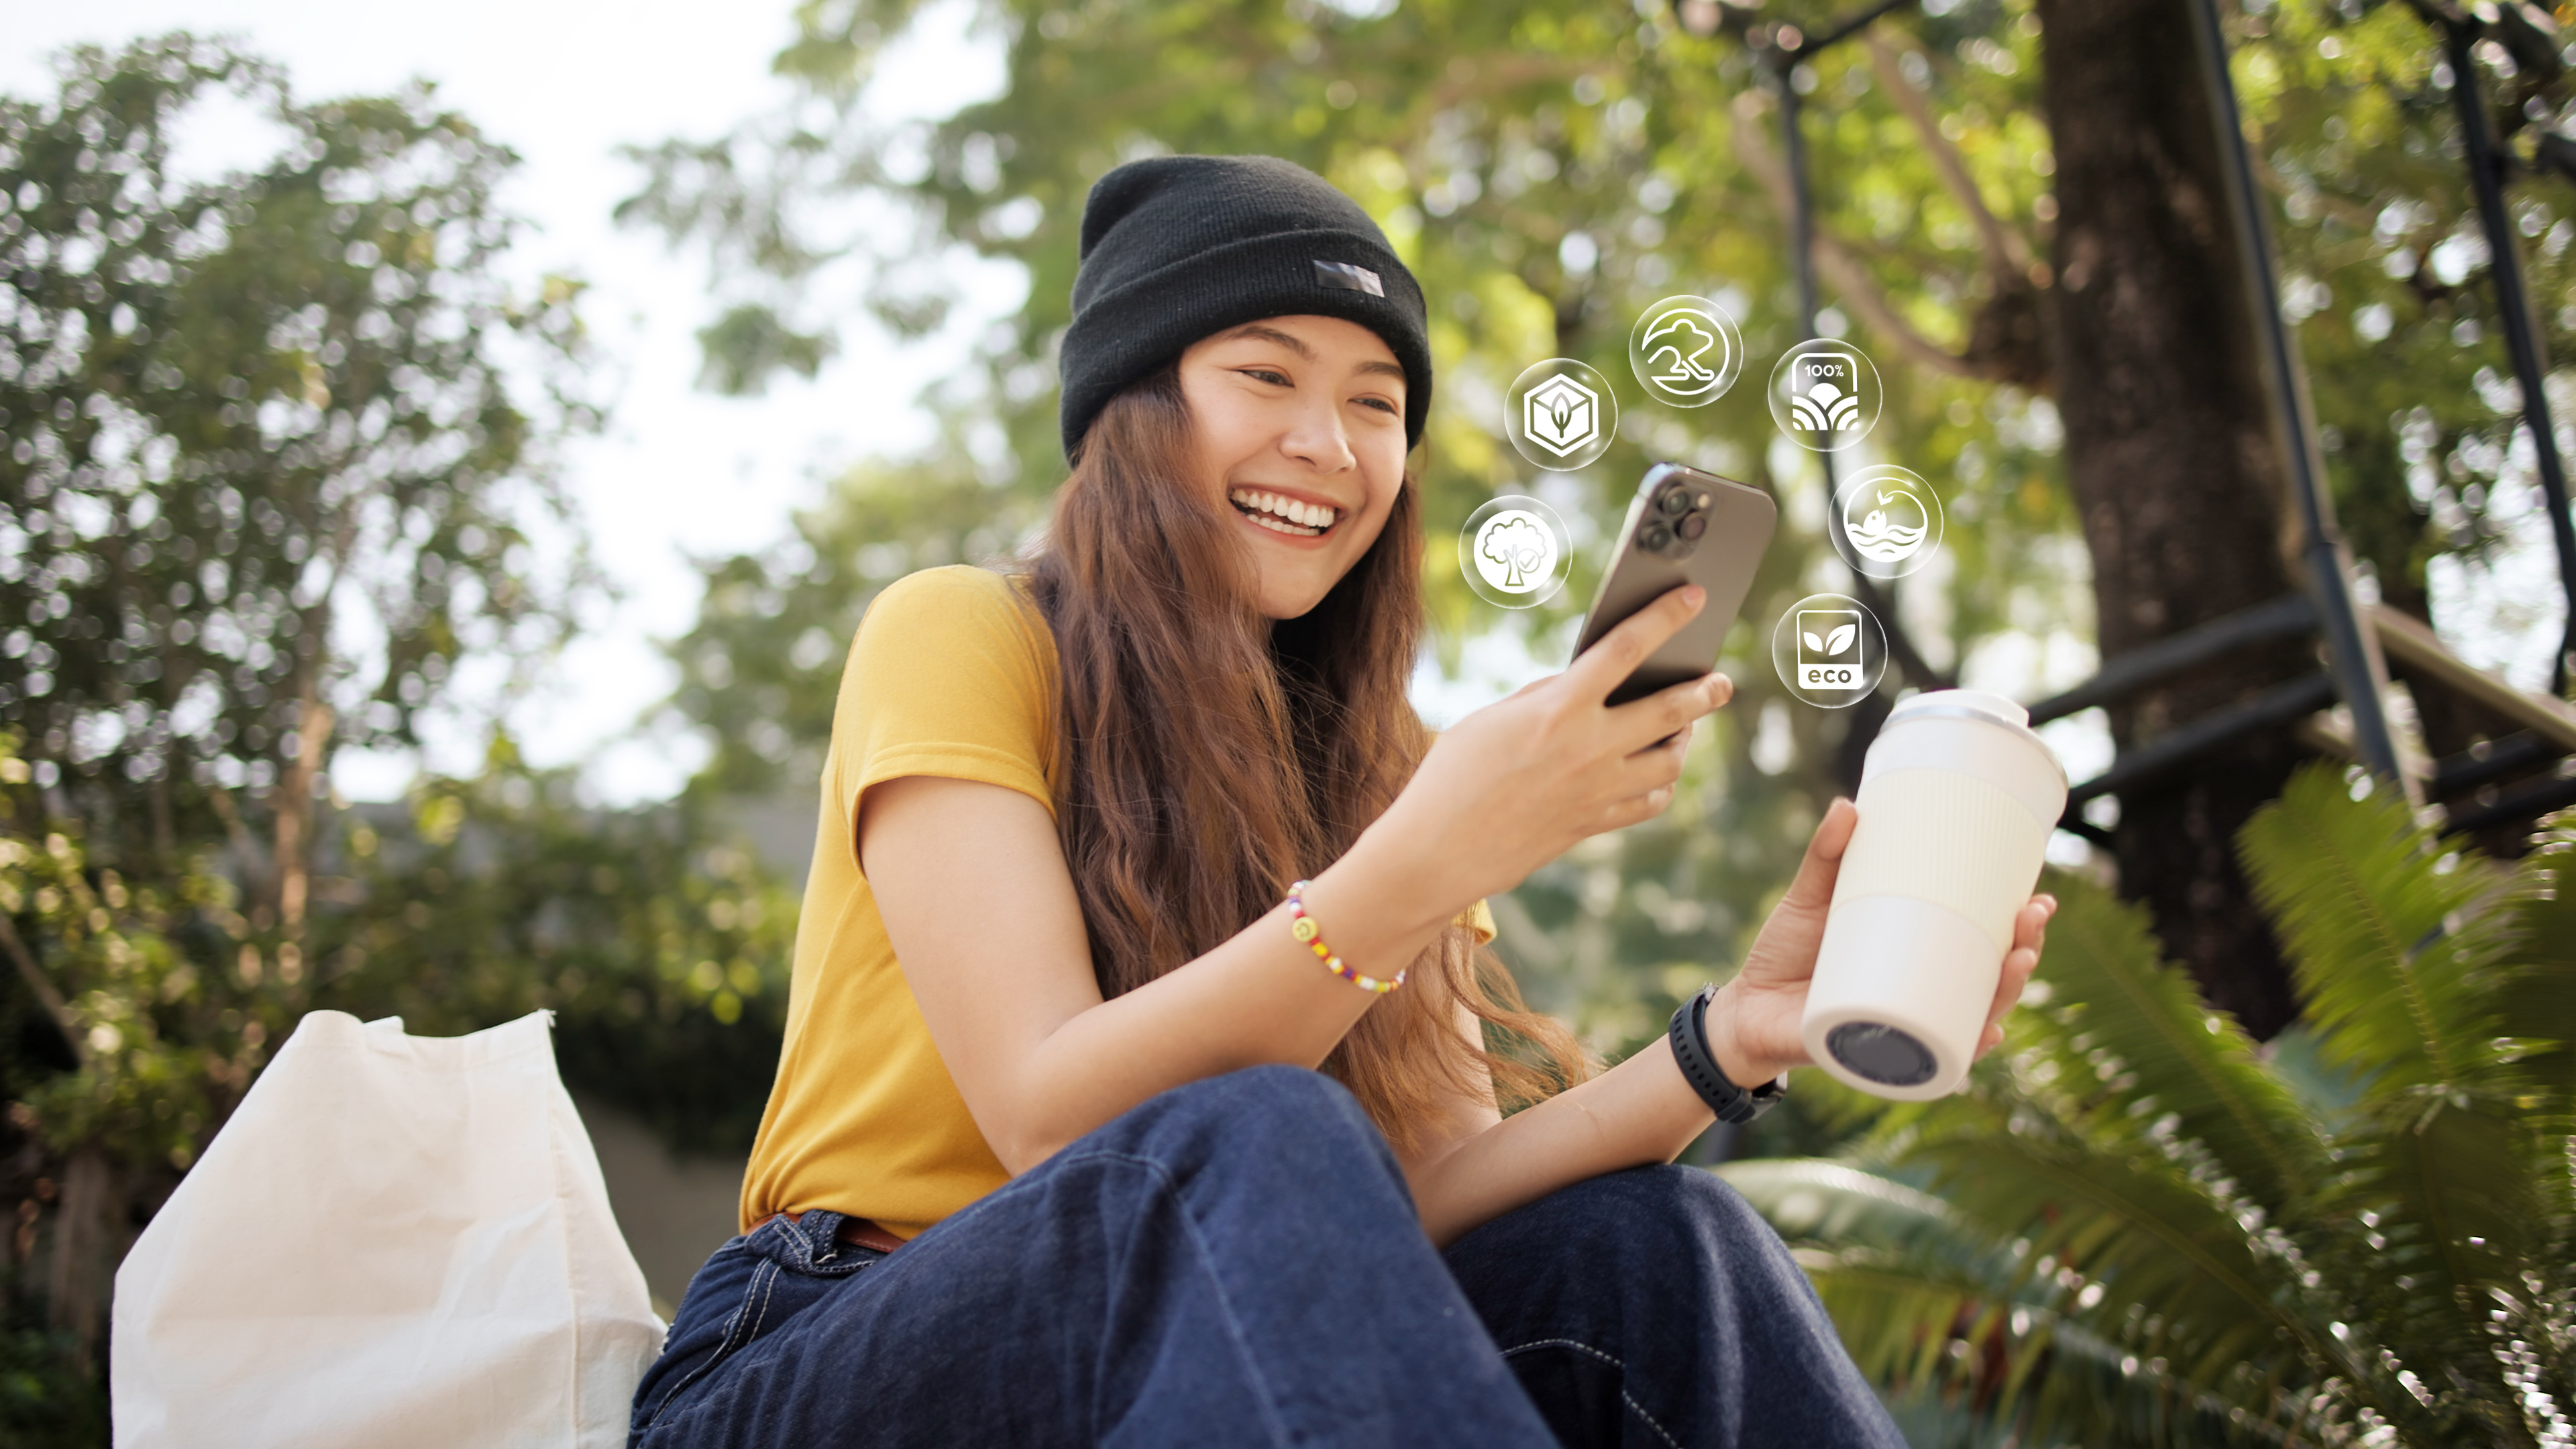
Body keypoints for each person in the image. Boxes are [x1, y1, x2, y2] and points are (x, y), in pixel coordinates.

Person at [627, 154, 2053, 1449]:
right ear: (1134, 406)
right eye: (1267, 376)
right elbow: (1049, 1122)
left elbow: (1434, 1186)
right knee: (1259, 1132)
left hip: (1213, 1338)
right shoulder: (966, 632)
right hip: (827, 1355)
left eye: (1378, 404)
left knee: (1656, 1244)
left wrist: (1727, 1044)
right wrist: (1419, 862)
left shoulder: (1384, 766)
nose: (1333, 442)